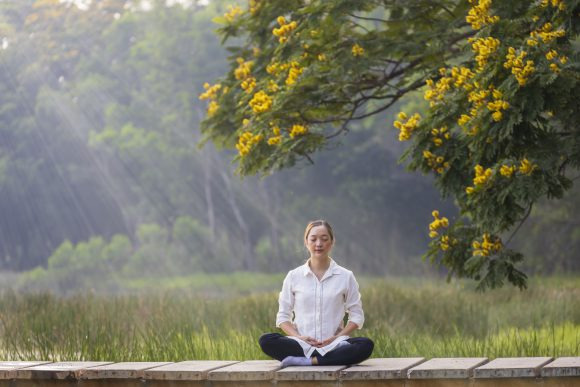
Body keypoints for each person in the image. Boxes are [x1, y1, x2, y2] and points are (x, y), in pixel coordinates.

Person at [258, 220, 374, 367]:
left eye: (324, 239)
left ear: (332, 242)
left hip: (334, 345)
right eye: (313, 239)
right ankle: (326, 360)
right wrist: (299, 337)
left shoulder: (346, 276)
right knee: (266, 340)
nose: (319, 244)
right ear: (306, 242)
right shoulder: (294, 276)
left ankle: (309, 361)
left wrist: (337, 337)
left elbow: (357, 316)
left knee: (365, 345)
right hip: (302, 345)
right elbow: (282, 317)